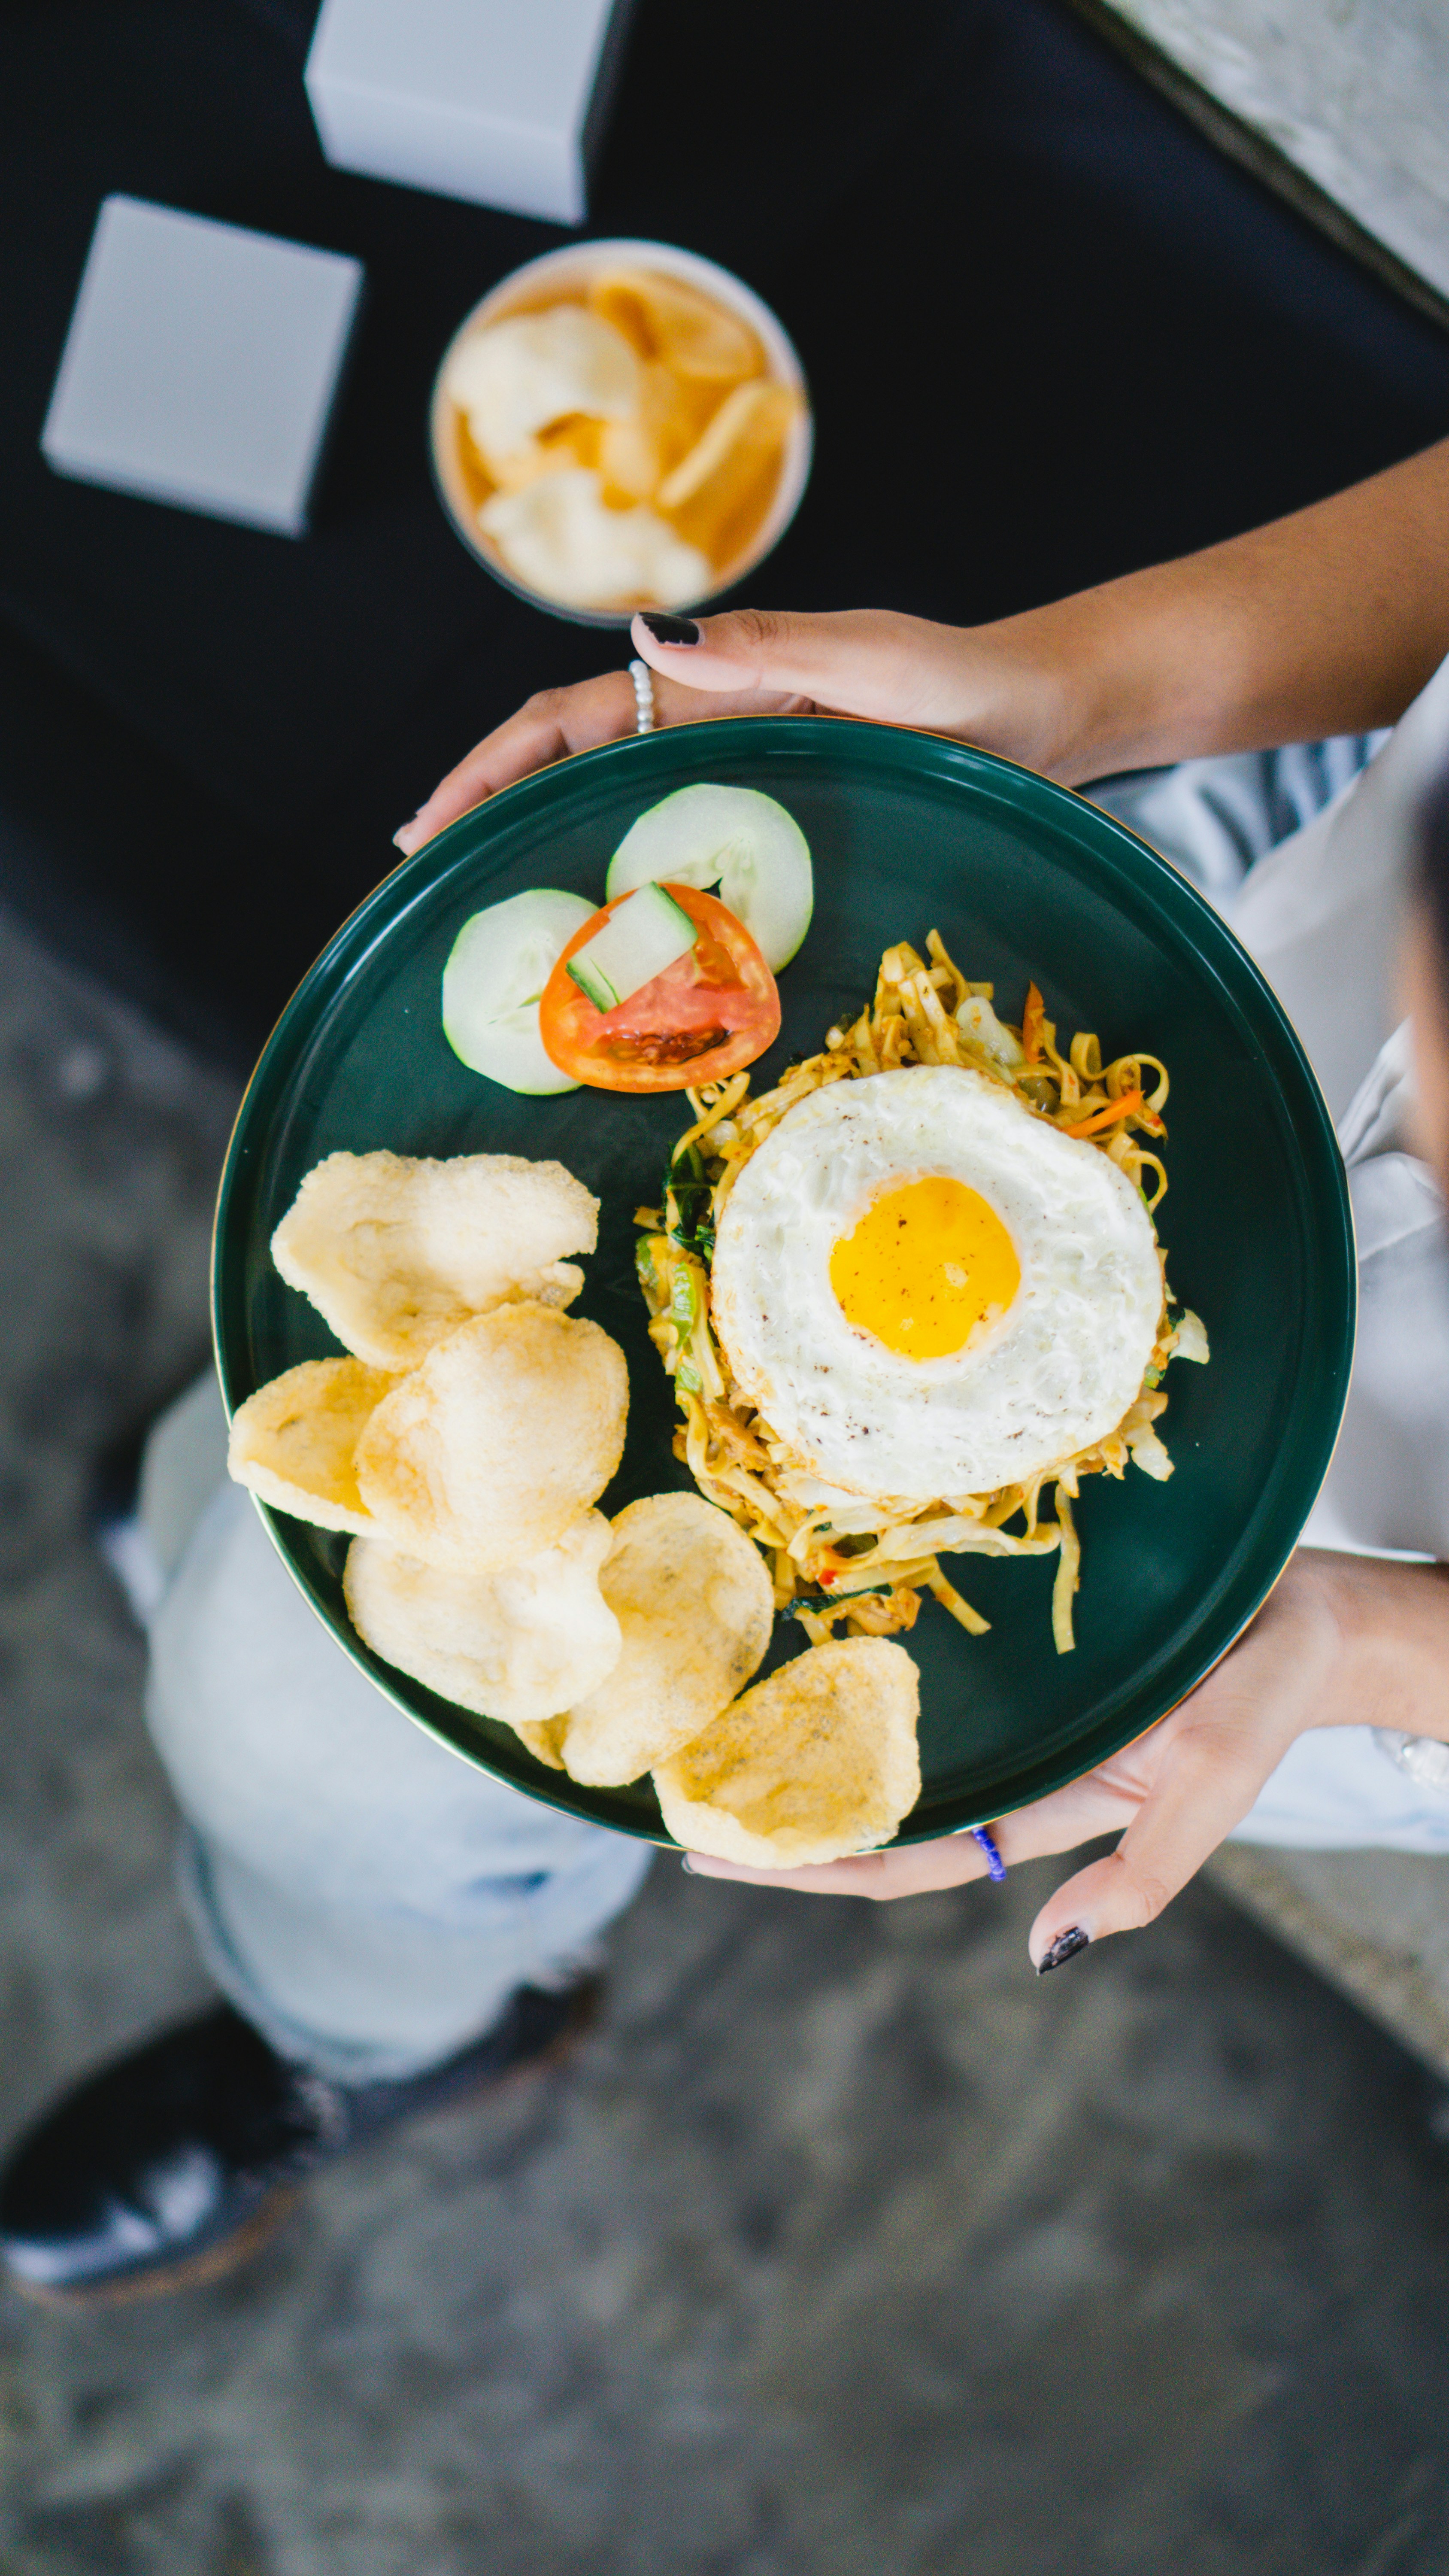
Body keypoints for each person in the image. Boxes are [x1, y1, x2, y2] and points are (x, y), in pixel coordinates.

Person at [7, 439, 1449, 2303]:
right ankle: (268, 1520)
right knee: (342, 1490)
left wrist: (1367, 1647)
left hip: (1368, 1551)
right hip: (1238, 956)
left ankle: (367, 2027)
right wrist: (1068, 686)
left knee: (293, 1734)